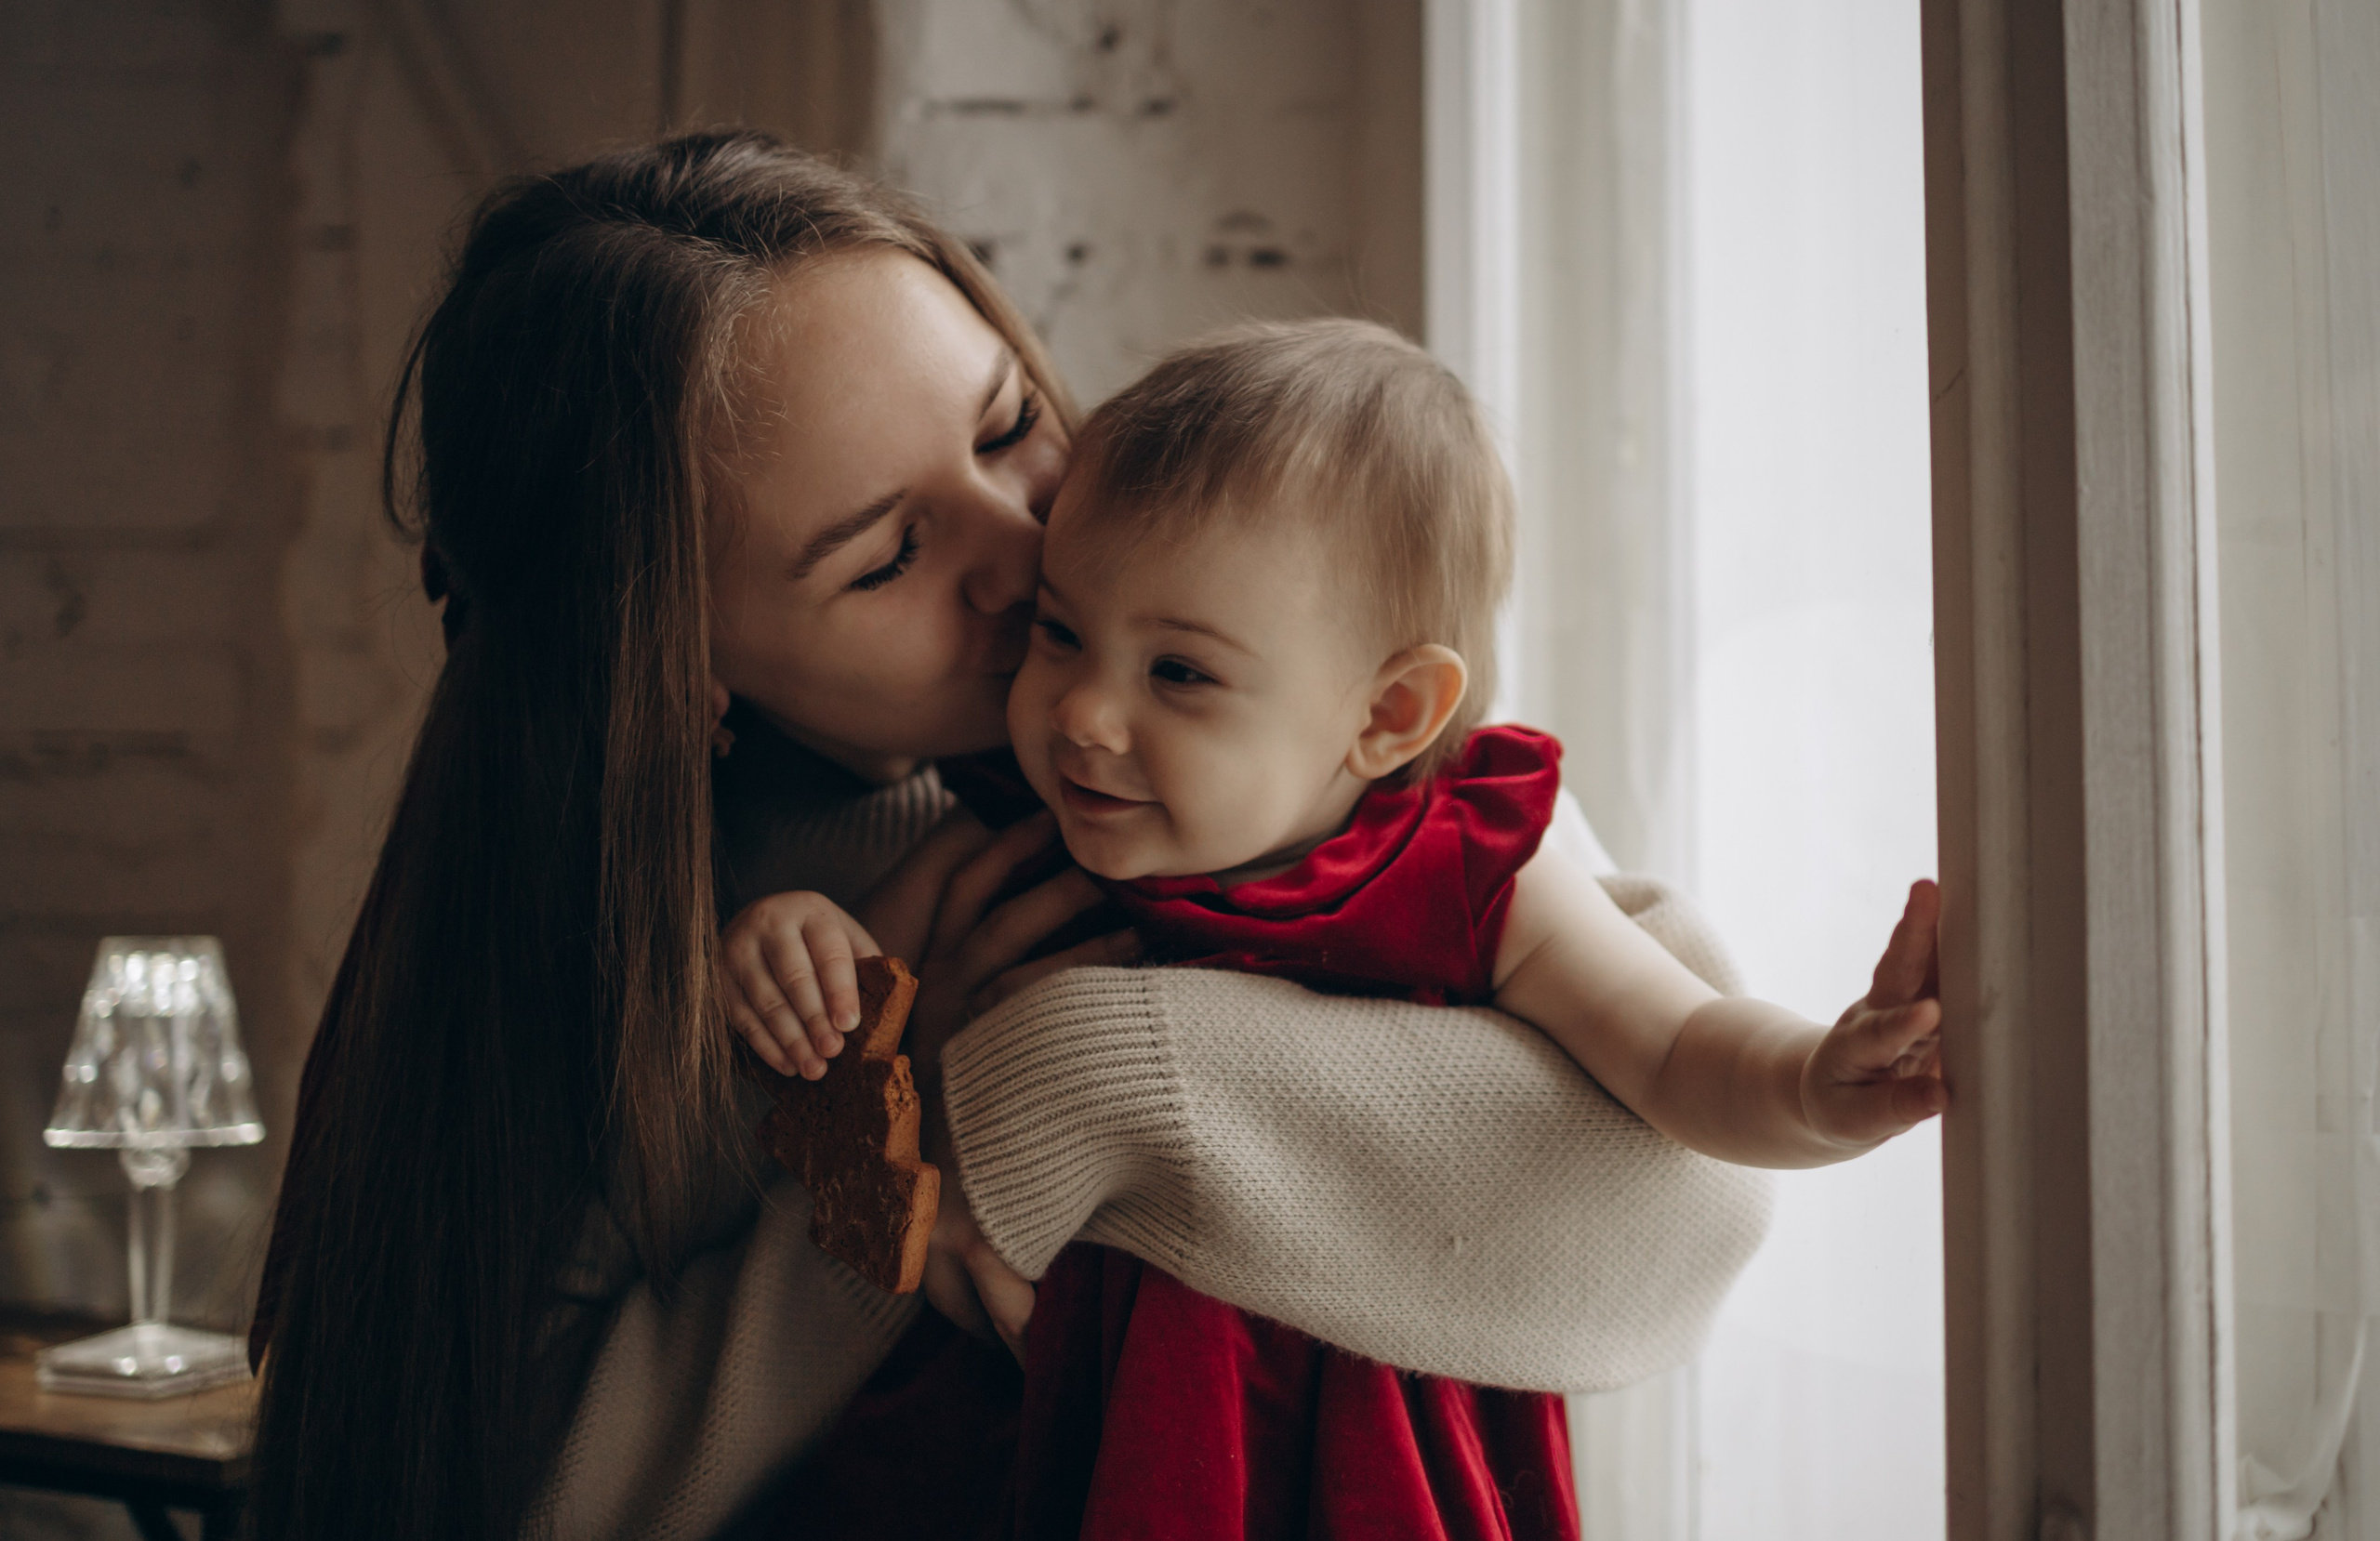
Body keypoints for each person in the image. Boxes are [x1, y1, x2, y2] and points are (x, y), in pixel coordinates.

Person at [246, 132, 1778, 1541]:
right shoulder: (645, 937)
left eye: (1007, 427)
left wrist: (1058, 1086)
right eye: (891, 554)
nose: (1025, 548)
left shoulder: (1288, 722)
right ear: (680, 662)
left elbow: (1687, 1202)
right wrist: (877, 1139)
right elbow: (504, 1484)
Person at [721, 320, 1946, 1539]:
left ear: (1389, 712)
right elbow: (828, 1152)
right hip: (1032, 1446)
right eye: (1062, 632)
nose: (1085, 712)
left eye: (1181, 675)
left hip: (1352, 1457)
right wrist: (796, 946)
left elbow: (1676, 1053)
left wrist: (1817, 1084)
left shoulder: (1464, 874)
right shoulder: (999, 848)